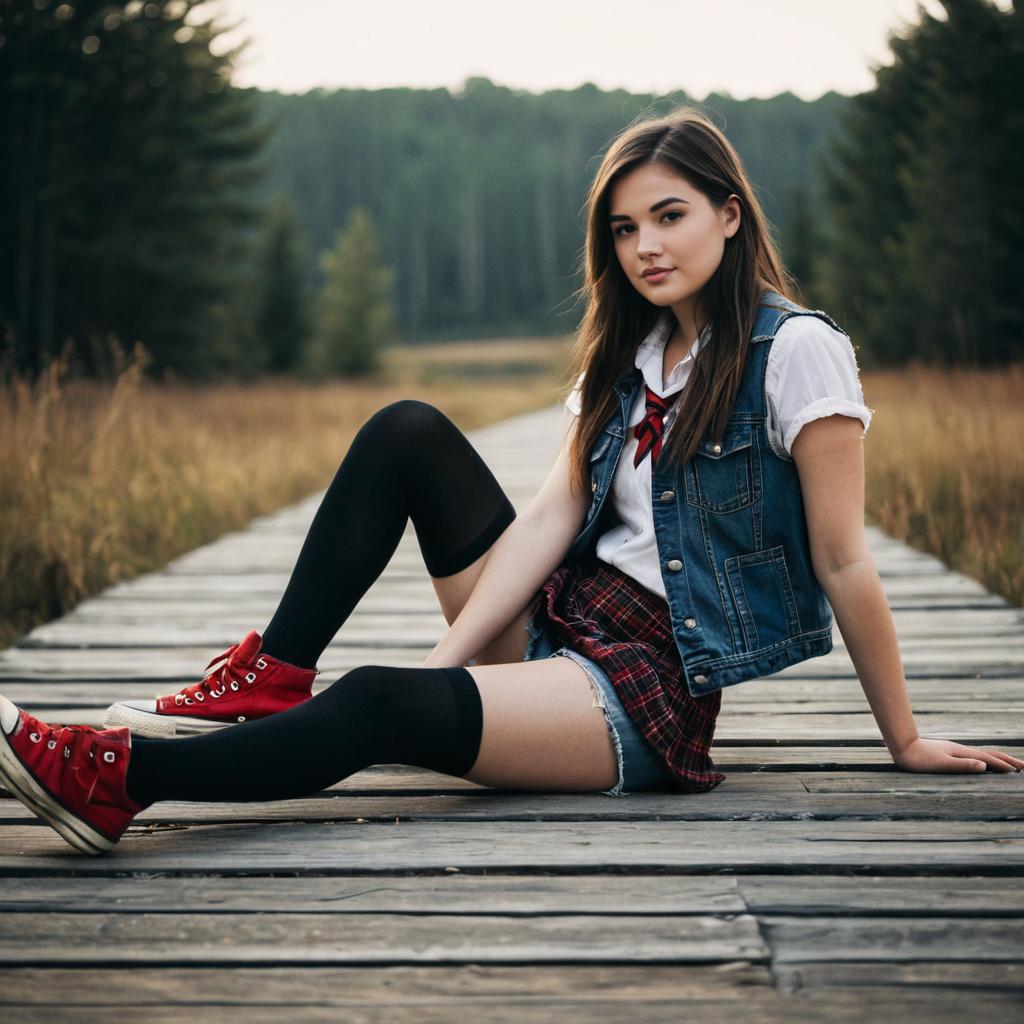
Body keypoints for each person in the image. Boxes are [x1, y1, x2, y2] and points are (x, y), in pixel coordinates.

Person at [2, 107, 1020, 857]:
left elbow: (844, 556)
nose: (645, 247)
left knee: (380, 702)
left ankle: (117, 781)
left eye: (667, 217)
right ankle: (272, 674)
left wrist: (904, 735)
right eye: (623, 229)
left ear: (727, 212)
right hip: (559, 618)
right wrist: (453, 654)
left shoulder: (796, 354)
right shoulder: (632, 356)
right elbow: (551, 515)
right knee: (407, 430)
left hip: (639, 693)